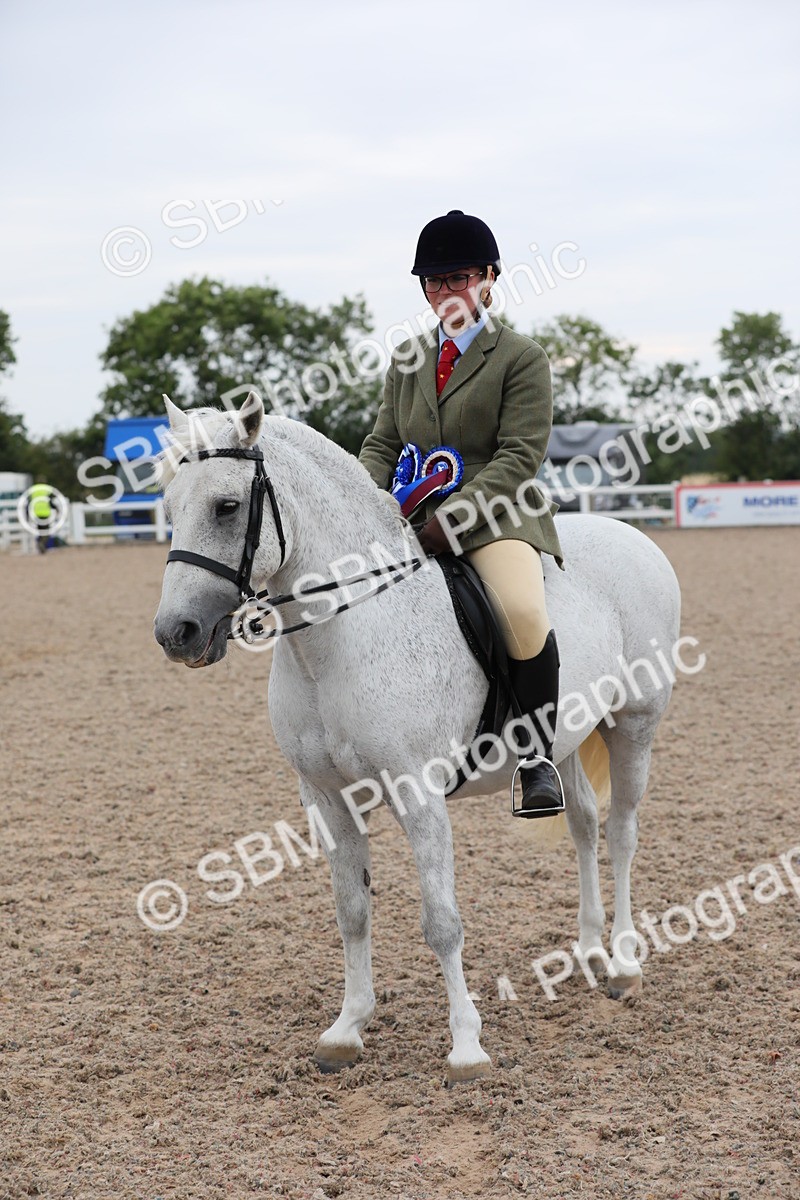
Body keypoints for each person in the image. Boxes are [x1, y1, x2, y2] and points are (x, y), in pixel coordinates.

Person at [359, 209, 565, 817]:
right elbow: (381, 443)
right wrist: (366, 503)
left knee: (523, 610)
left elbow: (519, 454)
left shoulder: (521, 358)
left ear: (489, 279)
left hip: (497, 512)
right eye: (435, 282)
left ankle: (537, 759)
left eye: (459, 278)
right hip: (409, 508)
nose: (446, 292)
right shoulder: (407, 358)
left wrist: (455, 519)